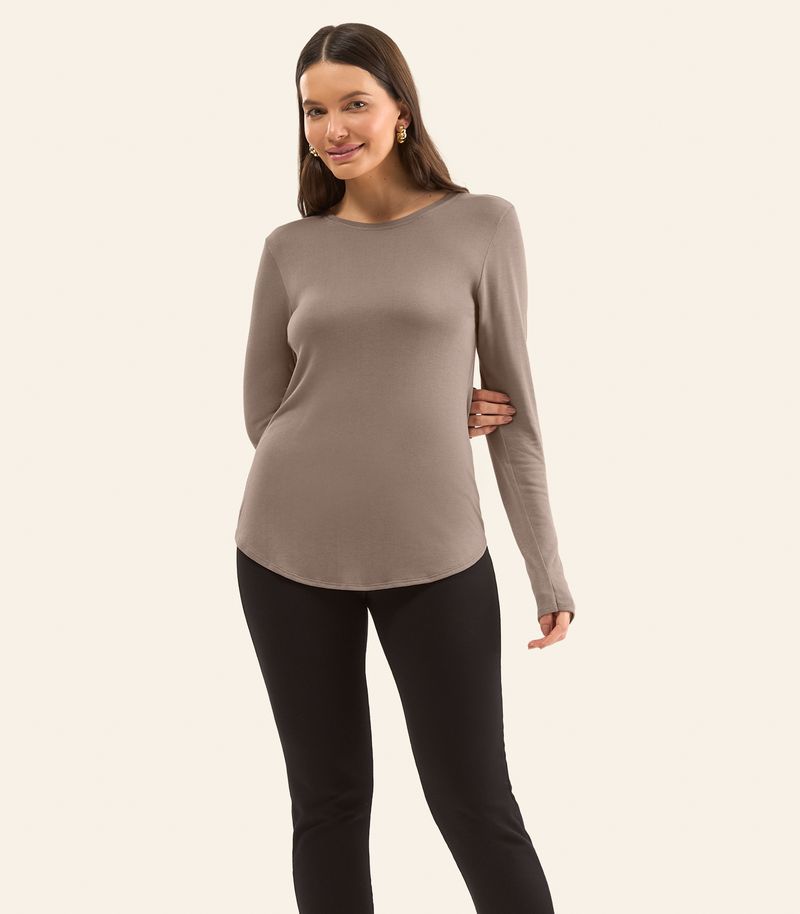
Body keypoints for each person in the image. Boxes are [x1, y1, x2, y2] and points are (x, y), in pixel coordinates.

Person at [235, 22, 576, 914]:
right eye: (314, 110)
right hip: (284, 551)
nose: (333, 128)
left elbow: (517, 417)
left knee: (476, 805)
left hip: (438, 554)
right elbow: (266, 415)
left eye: (354, 103)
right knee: (328, 806)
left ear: (401, 110)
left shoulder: (483, 224)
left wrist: (546, 570)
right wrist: (412, 408)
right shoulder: (290, 247)